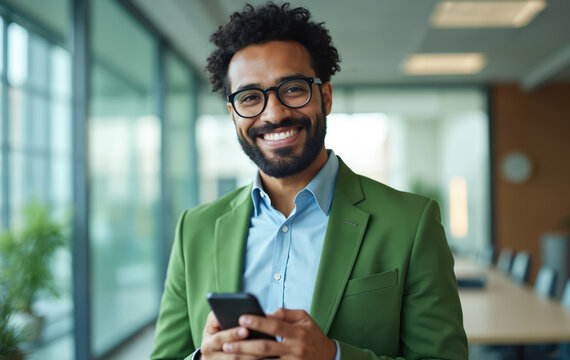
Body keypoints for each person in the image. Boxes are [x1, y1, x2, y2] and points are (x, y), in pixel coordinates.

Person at [151, 3, 467, 360]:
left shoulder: (411, 222)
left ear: (325, 96)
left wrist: (334, 357)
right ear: (232, 113)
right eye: (250, 97)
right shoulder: (195, 229)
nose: (274, 114)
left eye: (293, 89)